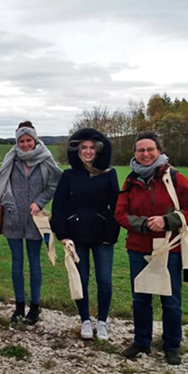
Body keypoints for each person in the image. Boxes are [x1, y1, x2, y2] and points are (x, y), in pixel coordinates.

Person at [115, 131, 188, 365]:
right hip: (137, 247)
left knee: (170, 299)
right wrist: (143, 224)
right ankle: (141, 342)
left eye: (150, 149)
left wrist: (167, 220)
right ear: (135, 153)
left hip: (168, 248)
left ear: (159, 151)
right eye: (140, 150)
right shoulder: (130, 180)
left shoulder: (174, 178)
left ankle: (171, 345)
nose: (145, 154)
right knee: (140, 297)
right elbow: (120, 214)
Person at [50, 128, 120, 340]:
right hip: (76, 236)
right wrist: (61, 233)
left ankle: (102, 322)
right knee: (81, 279)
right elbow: (59, 206)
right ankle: (85, 321)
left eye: (92, 148)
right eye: (84, 148)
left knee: (104, 280)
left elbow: (116, 206)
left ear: (99, 150)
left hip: (103, 237)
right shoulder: (69, 175)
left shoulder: (109, 174)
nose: (88, 152)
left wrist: (112, 233)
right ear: (77, 151)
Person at [0, 121, 62, 325]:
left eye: (28, 140)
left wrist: (39, 202)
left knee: (34, 264)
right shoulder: (11, 160)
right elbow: (1, 184)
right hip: (13, 219)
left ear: (35, 140)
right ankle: (19, 306)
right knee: (16, 264)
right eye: (21, 141)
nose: (24, 144)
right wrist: (8, 202)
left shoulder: (45, 160)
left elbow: (54, 185)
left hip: (35, 221)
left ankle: (35, 307)